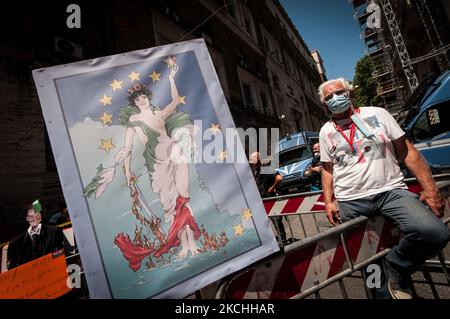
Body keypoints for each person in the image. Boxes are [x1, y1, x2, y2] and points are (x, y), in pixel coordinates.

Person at [318, 77, 449, 299]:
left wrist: (430, 189)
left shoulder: (378, 114)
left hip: (391, 192)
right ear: (324, 104)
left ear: (351, 93)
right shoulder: (325, 131)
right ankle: (384, 296)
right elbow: (328, 169)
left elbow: (406, 151)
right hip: (350, 201)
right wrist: (329, 200)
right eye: (329, 97)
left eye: (339, 92)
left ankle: (396, 265)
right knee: (369, 262)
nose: (335, 98)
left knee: (433, 233)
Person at [119, 60, 201, 260]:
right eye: (136, 99)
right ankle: (183, 243)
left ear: (147, 96)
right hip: (157, 166)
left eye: (143, 96)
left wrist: (171, 79)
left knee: (183, 199)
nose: (141, 100)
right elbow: (127, 149)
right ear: (134, 103)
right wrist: (127, 170)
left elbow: (174, 101)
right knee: (171, 206)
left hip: (175, 155)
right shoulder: (133, 124)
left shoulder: (159, 114)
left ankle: (192, 242)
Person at [6, 202, 64, 270]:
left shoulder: (54, 232)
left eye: (38, 215)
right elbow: (12, 270)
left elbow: (61, 255)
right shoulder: (14, 245)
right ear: (27, 218)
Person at [249, 152, 288, 245]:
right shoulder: (255, 170)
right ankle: (271, 241)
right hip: (261, 200)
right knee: (265, 222)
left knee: (276, 220)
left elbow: (279, 178)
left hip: (270, 199)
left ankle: (282, 241)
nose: (251, 163)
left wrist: (272, 187)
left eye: (252, 161)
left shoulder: (267, 168)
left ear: (258, 159)